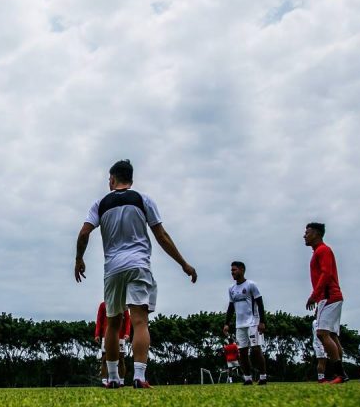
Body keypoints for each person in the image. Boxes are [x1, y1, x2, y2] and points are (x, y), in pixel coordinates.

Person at [75, 159, 197, 389]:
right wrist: (184, 264)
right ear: (131, 179)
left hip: (113, 269)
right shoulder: (143, 200)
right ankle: (139, 376)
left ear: (112, 179)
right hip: (138, 265)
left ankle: (113, 378)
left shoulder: (100, 204)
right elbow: (162, 236)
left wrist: (79, 259)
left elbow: (83, 233)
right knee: (140, 321)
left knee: (113, 324)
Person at [304, 222, 348, 384]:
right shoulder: (319, 251)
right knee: (332, 335)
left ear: (316, 233)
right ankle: (340, 374)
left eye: (307, 232)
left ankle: (340, 374)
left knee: (322, 333)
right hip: (330, 297)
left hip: (329, 296)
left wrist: (314, 296)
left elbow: (326, 273)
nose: (304, 236)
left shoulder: (323, 250)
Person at [222, 261, 268, 385]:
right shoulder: (231, 289)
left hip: (253, 322)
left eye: (234, 270)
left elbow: (260, 303)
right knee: (242, 352)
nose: (232, 272)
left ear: (242, 270)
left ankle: (263, 377)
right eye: (231, 270)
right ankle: (247, 378)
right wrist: (226, 323)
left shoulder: (251, 285)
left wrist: (262, 321)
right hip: (240, 325)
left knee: (255, 350)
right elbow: (231, 307)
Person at [95, 301, 130, 386]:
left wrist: (127, 333)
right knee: (104, 358)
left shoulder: (123, 304)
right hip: (106, 336)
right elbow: (99, 320)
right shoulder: (103, 305)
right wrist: (97, 334)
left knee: (121, 358)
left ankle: (121, 381)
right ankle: (104, 381)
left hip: (120, 336)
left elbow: (127, 319)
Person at [312, 319, 329, 383]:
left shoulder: (321, 321)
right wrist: (324, 344)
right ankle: (320, 379)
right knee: (321, 361)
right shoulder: (316, 321)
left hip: (322, 343)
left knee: (324, 361)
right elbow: (318, 333)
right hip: (318, 343)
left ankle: (322, 378)